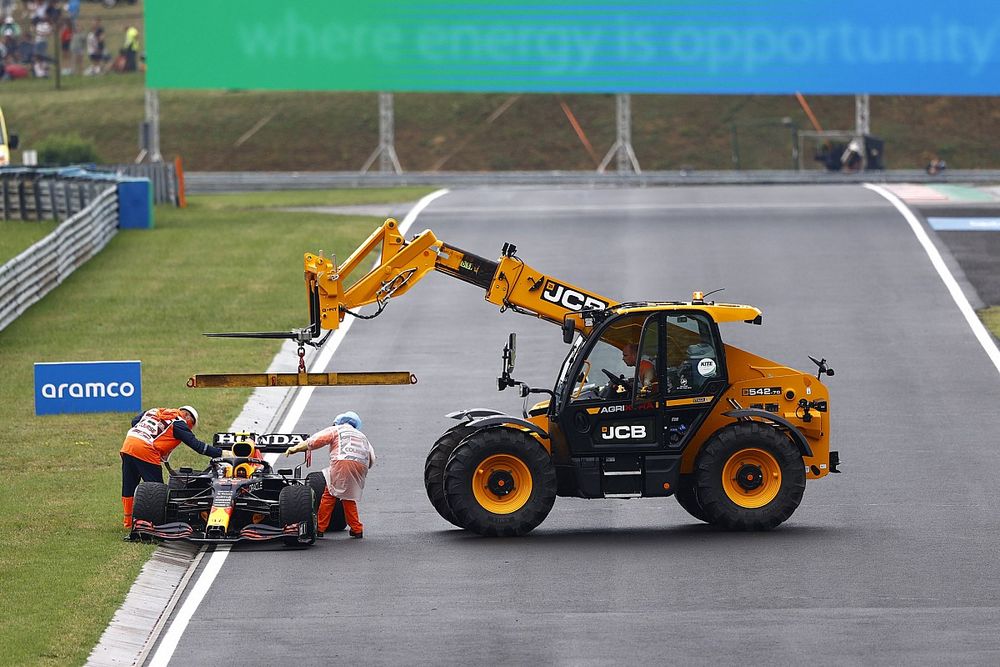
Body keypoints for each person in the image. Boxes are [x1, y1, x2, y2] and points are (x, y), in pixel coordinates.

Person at [119, 405, 222, 530]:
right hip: (147, 450)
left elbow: (134, 421)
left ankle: (128, 522)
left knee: (129, 485)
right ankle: (155, 524)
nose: (189, 428)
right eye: (191, 425)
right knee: (157, 490)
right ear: (187, 416)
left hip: (129, 445)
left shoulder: (155, 411)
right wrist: (220, 453)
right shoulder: (179, 423)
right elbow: (197, 446)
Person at [284, 411, 375, 539]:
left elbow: (315, 441)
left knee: (329, 494)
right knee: (348, 497)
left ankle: (320, 528)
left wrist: (296, 448)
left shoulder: (337, 430)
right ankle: (357, 528)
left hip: (341, 462)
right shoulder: (362, 436)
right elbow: (372, 457)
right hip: (361, 466)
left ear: (338, 422)